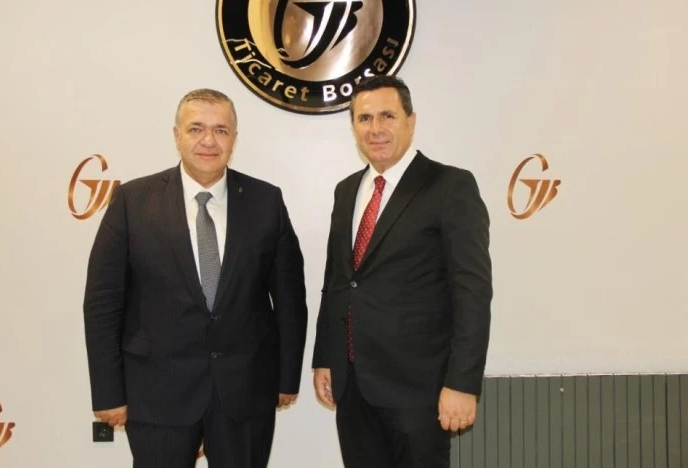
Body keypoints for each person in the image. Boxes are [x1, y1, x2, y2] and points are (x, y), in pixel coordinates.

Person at [83, 88, 308, 468]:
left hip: (245, 390)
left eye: (221, 130)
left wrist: (287, 378)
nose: (208, 141)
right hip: (156, 390)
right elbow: (103, 304)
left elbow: (289, 299)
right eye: (196, 129)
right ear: (177, 135)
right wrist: (108, 392)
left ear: (234, 138)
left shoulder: (266, 201)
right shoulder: (131, 202)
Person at [312, 75, 492, 467]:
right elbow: (338, 281)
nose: (375, 128)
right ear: (354, 127)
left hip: (420, 390)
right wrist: (325, 357)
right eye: (364, 119)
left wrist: (462, 383)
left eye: (387, 116)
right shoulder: (347, 190)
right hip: (353, 385)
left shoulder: (450, 186)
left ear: (411, 121)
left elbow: (473, 293)